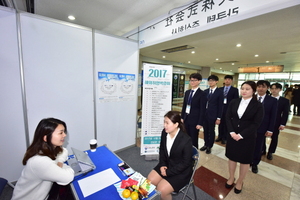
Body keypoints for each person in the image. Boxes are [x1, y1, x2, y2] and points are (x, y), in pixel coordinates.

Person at [12, 118, 74, 200]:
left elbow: (63, 151)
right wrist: (62, 167)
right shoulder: (40, 161)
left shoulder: (49, 149)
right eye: (61, 133)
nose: (64, 135)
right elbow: (68, 177)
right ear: (45, 138)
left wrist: (59, 162)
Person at [225, 81, 263, 194]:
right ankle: (231, 177)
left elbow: (256, 123)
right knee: (232, 157)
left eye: (247, 89)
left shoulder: (258, 105)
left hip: (247, 137)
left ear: (253, 91)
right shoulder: (234, 101)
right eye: (242, 88)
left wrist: (241, 135)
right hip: (232, 135)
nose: (244, 91)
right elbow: (228, 117)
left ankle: (240, 181)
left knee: (244, 160)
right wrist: (232, 132)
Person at [147, 111, 193, 200]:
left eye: (167, 123)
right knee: (150, 180)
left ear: (176, 124)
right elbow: (162, 150)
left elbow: (186, 163)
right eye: (164, 122)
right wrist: (163, 165)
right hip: (167, 164)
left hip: (181, 172)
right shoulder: (164, 133)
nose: (164, 125)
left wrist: (168, 172)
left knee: (161, 190)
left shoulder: (186, 140)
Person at [251, 80, 277, 174]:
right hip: (249, 127)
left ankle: (255, 163)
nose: (260, 89)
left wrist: (270, 129)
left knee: (258, 146)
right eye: (259, 86)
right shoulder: (251, 97)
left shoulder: (272, 100)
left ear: (267, 88)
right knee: (249, 145)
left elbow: (273, 116)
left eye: (263, 87)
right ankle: (248, 160)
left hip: (262, 127)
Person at [264, 83, 289, 160]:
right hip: (265, 121)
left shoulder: (284, 101)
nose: (274, 90)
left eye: (276, 89)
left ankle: (270, 152)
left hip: (276, 122)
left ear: (280, 90)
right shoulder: (266, 98)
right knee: (262, 137)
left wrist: (283, 124)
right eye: (272, 89)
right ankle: (262, 149)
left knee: (274, 138)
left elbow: (285, 113)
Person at [199, 75, 223, 154]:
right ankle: (206, 144)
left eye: (212, 81)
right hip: (205, 115)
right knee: (205, 130)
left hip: (213, 115)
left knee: (211, 131)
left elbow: (220, 106)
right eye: (209, 81)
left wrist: (219, 118)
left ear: (216, 82)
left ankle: (210, 146)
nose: (210, 82)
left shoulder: (219, 92)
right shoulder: (205, 91)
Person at [181, 73, 205, 149]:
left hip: (195, 121)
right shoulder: (187, 92)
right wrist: (182, 117)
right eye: (191, 80)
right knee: (185, 138)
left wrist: (200, 123)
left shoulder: (202, 94)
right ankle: (186, 154)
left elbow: (203, 109)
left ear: (199, 81)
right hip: (186, 119)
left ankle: (194, 156)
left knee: (193, 139)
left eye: (194, 80)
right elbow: (184, 106)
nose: (192, 82)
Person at [216, 75, 239, 144]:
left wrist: (233, 111)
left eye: (229, 79)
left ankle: (225, 137)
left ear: (231, 81)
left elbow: (236, 101)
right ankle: (220, 136)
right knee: (220, 124)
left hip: (229, 110)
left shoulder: (234, 90)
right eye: (226, 79)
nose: (227, 81)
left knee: (227, 124)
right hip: (220, 110)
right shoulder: (220, 89)